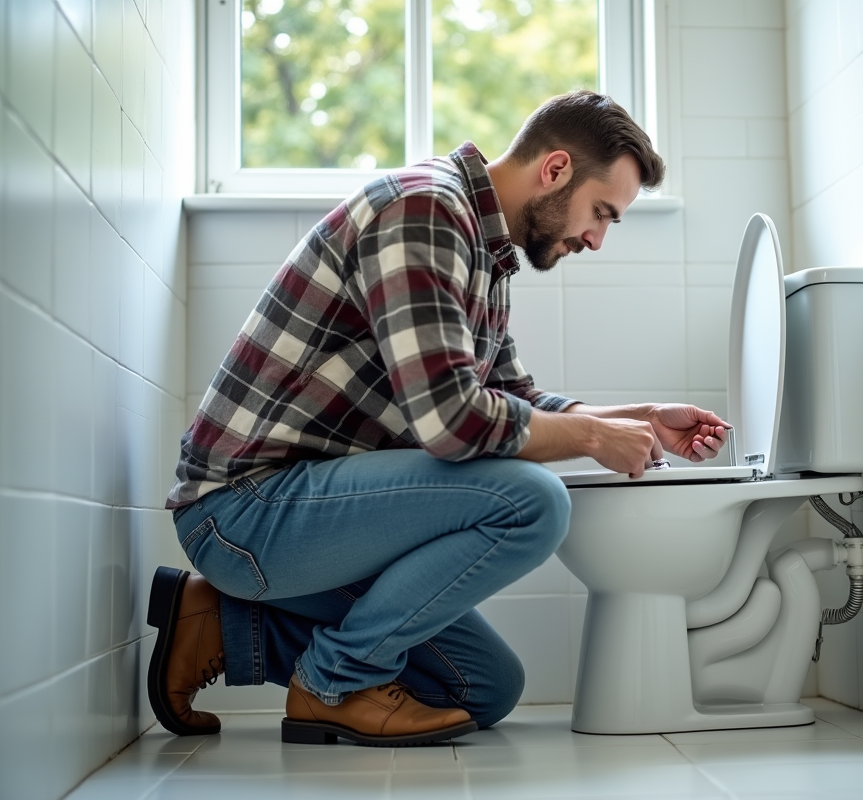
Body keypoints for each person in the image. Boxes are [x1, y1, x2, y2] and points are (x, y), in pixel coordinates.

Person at [149, 90, 731, 747]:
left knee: (482, 688)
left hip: (313, 514)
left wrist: (644, 419)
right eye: (602, 213)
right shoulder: (425, 209)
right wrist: (595, 436)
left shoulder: (487, 252)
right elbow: (453, 423)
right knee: (533, 502)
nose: (595, 239)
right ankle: (332, 686)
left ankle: (219, 624)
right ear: (557, 168)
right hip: (246, 513)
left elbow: (513, 396)